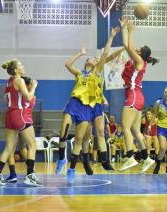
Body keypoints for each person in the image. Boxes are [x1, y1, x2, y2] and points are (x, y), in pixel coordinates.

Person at [55, 28, 123, 180]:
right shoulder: (80, 73)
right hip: (74, 103)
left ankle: (72, 169)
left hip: (89, 106)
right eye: (92, 58)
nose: (95, 59)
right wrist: (80, 53)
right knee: (63, 134)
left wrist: (112, 36)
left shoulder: (97, 72)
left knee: (81, 138)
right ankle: (61, 159)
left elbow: (107, 55)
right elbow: (67, 64)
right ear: (87, 62)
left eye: (96, 59)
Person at [0, 60, 42, 187]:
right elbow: (28, 98)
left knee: (9, 147)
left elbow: (5, 98)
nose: (23, 67)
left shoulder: (8, 82)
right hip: (19, 114)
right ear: (15, 70)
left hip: (9, 115)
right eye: (21, 66)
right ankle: (30, 175)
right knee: (32, 145)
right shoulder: (19, 80)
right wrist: (34, 86)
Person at [117, 17, 157, 173]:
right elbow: (127, 46)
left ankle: (130, 157)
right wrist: (123, 28)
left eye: (139, 48)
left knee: (125, 127)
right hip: (138, 96)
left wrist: (131, 31)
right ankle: (146, 158)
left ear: (141, 53)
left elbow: (129, 47)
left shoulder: (139, 60)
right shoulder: (139, 60)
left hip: (133, 95)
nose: (136, 49)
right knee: (135, 131)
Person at [5, 76, 38, 184]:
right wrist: (33, 87)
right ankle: (30, 173)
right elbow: (28, 101)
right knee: (30, 146)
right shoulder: (31, 96)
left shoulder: (18, 94)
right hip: (24, 121)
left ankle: (13, 174)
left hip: (14, 119)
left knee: (12, 148)